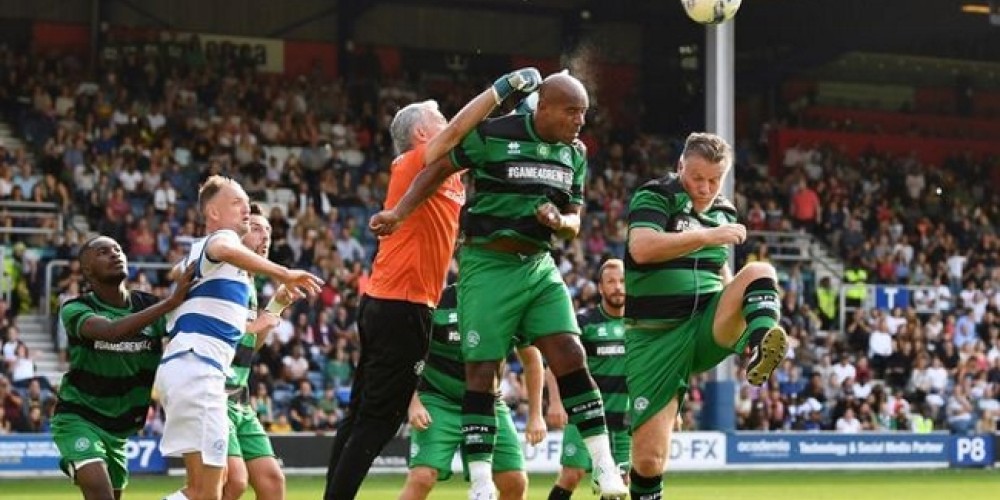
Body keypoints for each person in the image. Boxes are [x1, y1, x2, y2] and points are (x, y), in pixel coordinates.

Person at [372, 71, 629, 500]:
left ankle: (604, 468)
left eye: (583, 113)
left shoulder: (576, 154)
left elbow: (575, 221)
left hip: (538, 266)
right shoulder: (493, 134)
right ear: (544, 107)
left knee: (571, 354)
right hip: (488, 264)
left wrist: (560, 222)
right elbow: (437, 169)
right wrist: (399, 212)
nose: (580, 121)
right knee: (483, 372)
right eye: (571, 111)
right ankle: (480, 484)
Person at [323, 67, 543, 500]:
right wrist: (503, 87)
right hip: (402, 306)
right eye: (438, 118)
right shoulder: (413, 162)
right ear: (422, 133)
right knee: (379, 420)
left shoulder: (447, 171)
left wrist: (526, 111)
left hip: (388, 302)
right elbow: (462, 127)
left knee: (361, 414)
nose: (448, 122)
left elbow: (480, 135)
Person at [623, 132, 787, 500]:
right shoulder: (656, 194)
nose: (705, 188)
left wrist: (734, 305)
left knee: (759, 272)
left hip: (704, 325)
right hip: (655, 336)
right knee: (649, 460)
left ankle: (760, 343)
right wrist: (708, 236)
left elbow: (721, 271)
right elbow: (642, 248)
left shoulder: (724, 210)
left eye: (715, 180)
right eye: (697, 178)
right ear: (680, 165)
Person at [157, 175, 322, 500]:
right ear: (213, 213)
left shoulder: (237, 278)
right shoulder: (221, 241)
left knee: (212, 490)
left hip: (201, 372)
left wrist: (273, 308)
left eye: (247, 205)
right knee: (219, 488)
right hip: (200, 371)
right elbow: (220, 247)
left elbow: (243, 347)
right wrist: (284, 273)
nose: (246, 210)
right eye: (237, 204)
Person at [50, 235, 195, 500]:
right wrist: (170, 303)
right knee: (100, 492)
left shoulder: (149, 306)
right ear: (87, 270)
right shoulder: (76, 308)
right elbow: (111, 332)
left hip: (119, 428)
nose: (115, 254)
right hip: (79, 416)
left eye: (118, 249)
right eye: (103, 252)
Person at [400, 283, 545, 500]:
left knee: (515, 481)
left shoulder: (509, 303)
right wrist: (413, 402)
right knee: (422, 477)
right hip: (438, 401)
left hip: (489, 404)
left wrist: (536, 415)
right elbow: (404, 355)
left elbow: (532, 361)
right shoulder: (435, 302)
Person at [219, 205, 303, 500]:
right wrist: (256, 325)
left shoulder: (250, 283)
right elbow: (216, 335)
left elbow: (249, 346)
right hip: (216, 394)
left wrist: (275, 308)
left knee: (272, 481)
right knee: (233, 484)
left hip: (240, 399)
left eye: (268, 230)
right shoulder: (227, 277)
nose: (265, 236)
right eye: (256, 229)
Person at [547, 259, 629, 500]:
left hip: (624, 417)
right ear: (600, 288)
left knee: (620, 483)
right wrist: (556, 403)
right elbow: (556, 363)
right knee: (572, 474)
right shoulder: (584, 322)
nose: (618, 287)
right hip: (585, 413)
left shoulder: (639, 324)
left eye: (622, 281)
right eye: (611, 282)